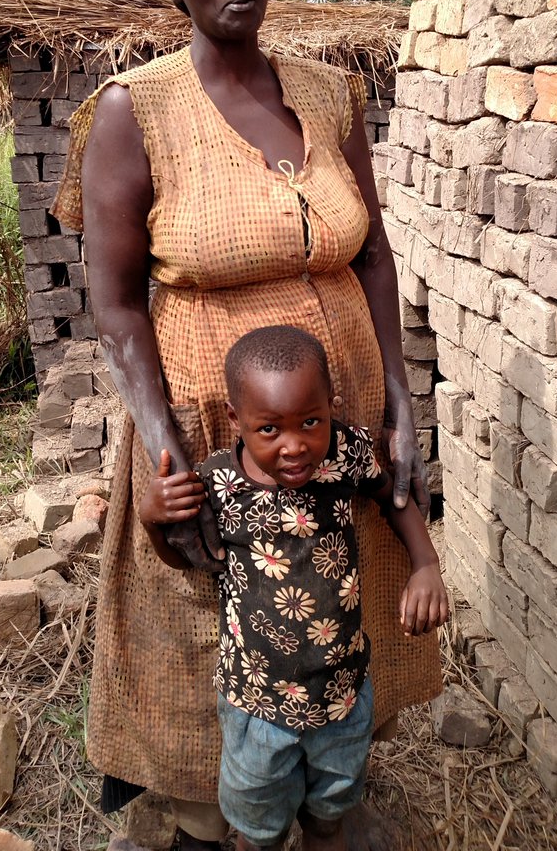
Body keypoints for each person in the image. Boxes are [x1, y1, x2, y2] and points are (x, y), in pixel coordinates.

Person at [51, 0, 442, 851]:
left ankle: (331, 794)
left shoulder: (327, 94)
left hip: (334, 409)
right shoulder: (135, 111)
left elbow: (376, 251)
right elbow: (113, 301)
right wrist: (160, 440)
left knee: (333, 599)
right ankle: (216, 815)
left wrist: (397, 395)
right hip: (213, 425)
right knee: (210, 622)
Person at [142, 325, 448, 851]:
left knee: (330, 818)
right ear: (237, 422)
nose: (294, 446)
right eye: (270, 430)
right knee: (260, 832)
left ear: (333, 406)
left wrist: (425, 562)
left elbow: (389, 495)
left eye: (311, 422)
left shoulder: (346, 455)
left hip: (342, 693)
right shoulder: (218, 484)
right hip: (255, 703)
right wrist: (153, 520)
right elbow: (183, 559)